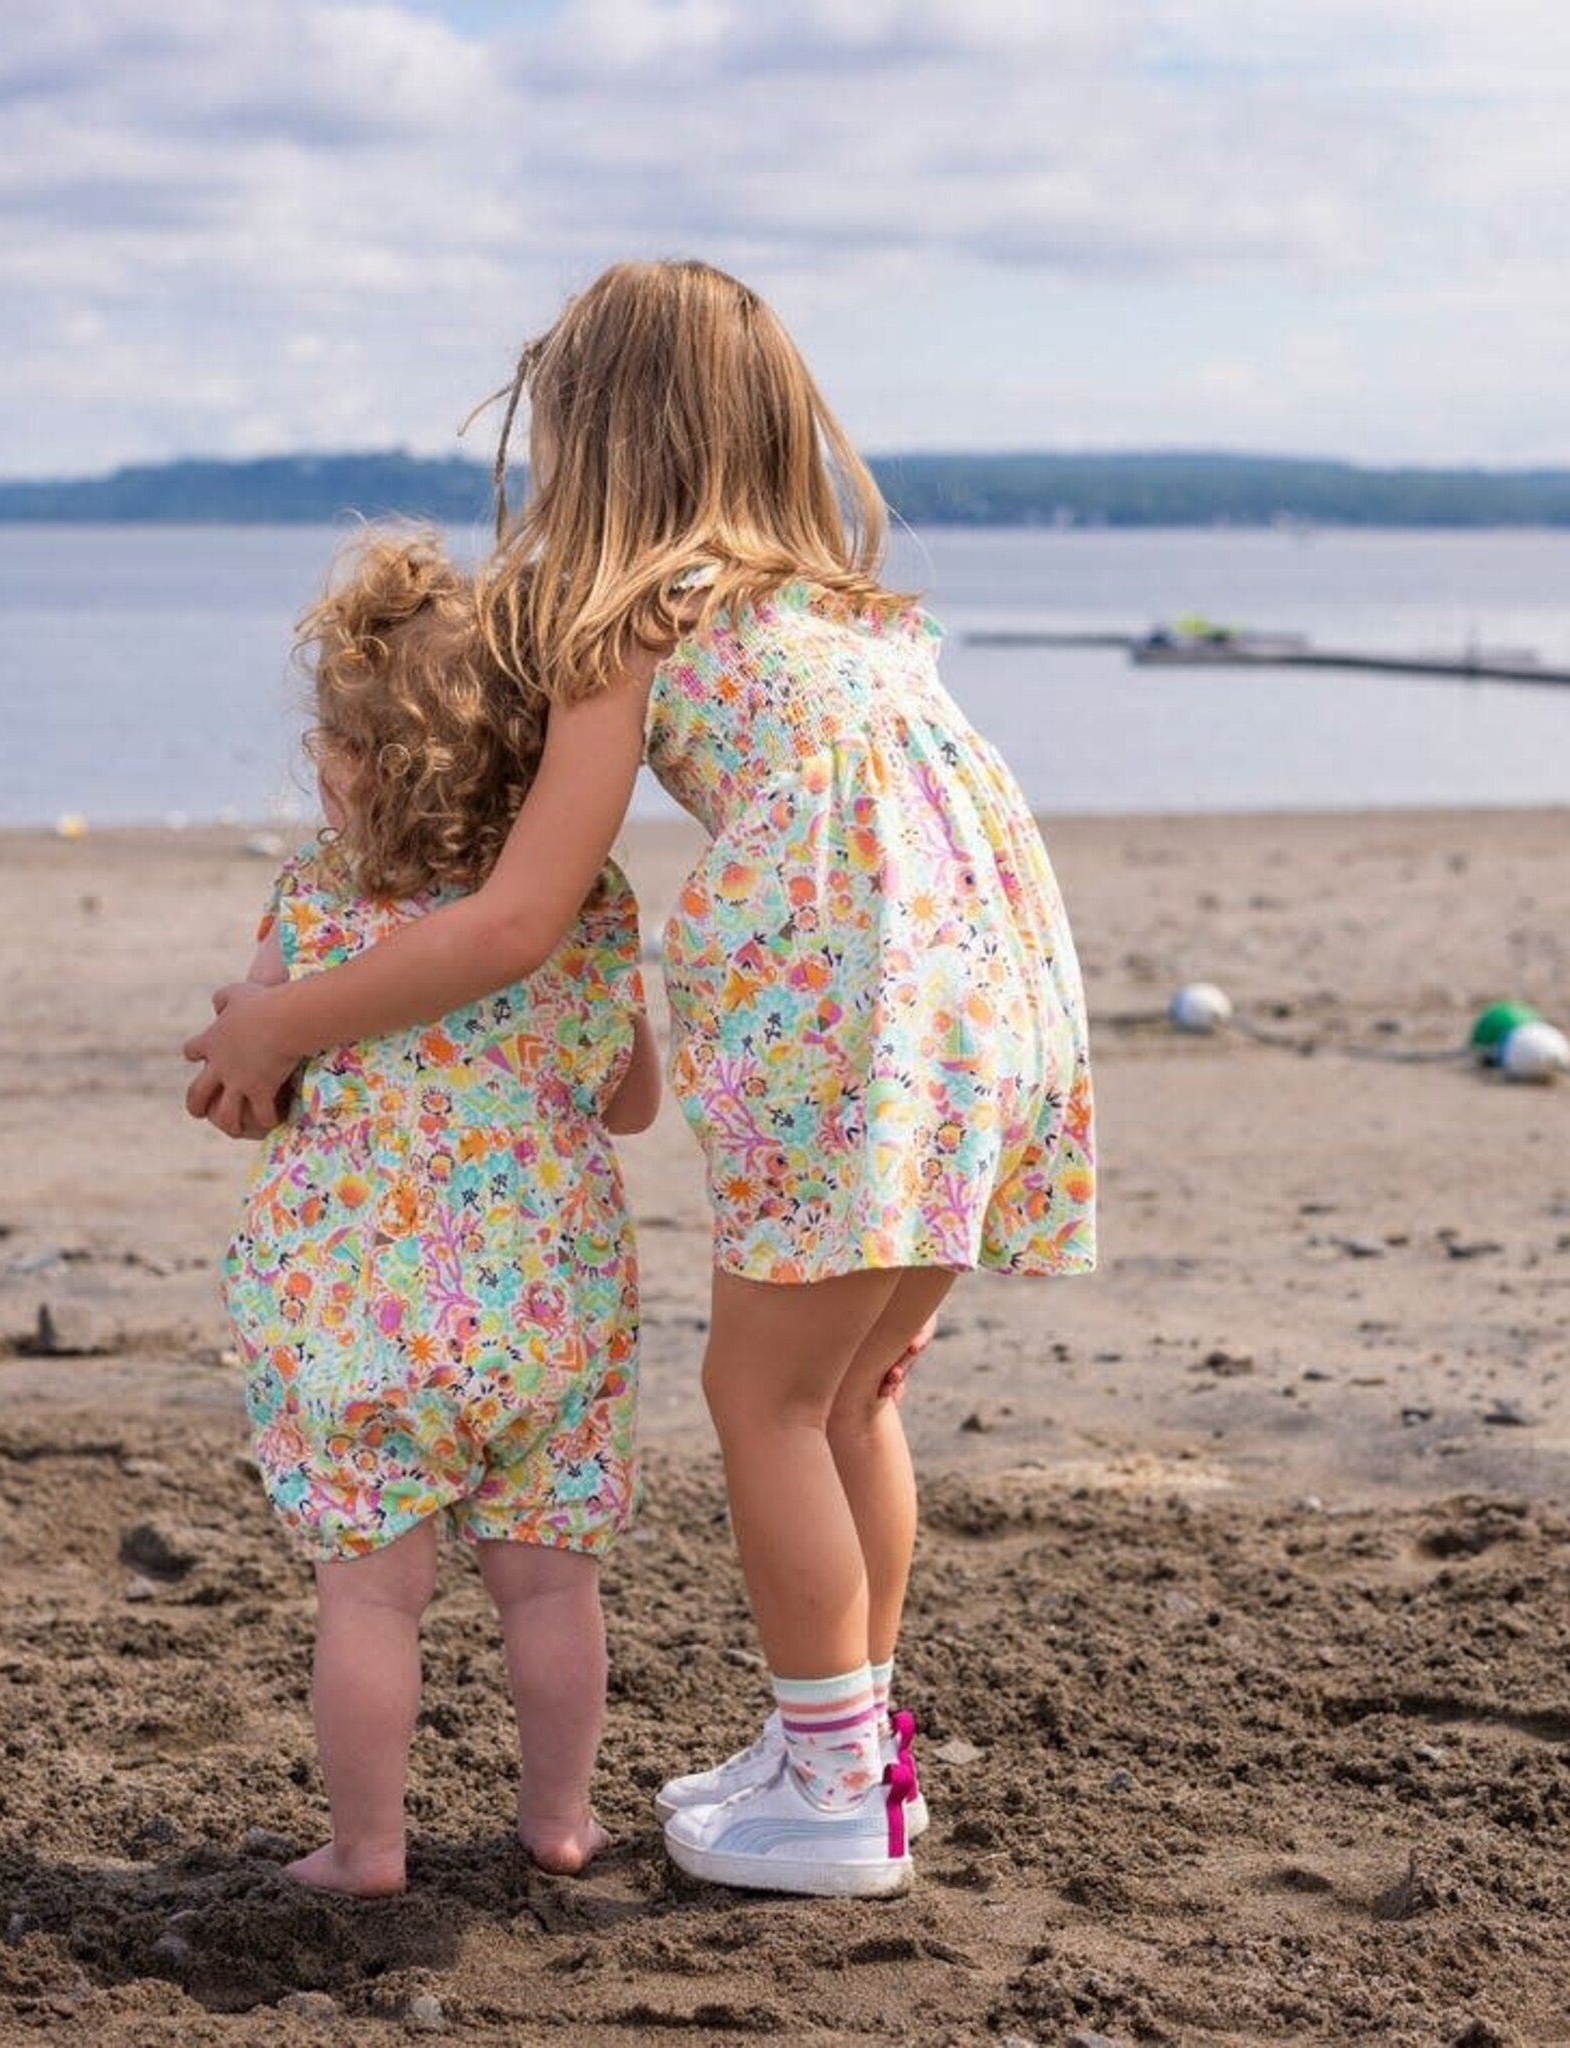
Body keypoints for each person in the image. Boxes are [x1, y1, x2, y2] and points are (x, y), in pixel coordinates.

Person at [188, 261, 1095, 1899]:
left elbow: (520, 916)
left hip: (850, 1026)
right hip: (989, 1022)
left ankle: (830, 1795)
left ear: (593, 435)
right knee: (851, 1397)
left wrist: (283, 1021)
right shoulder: (849, 614)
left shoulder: (634, 618)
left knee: (762, 1400)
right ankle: (855, 1753)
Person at [220, 530, 659, 1895]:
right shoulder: (586, 902)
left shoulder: (314, 908)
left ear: (355, 767)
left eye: (326, 746)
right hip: (551, 1307)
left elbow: (250, 1088)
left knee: (369, 1597)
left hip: (358, 1314)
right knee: (550, 1589)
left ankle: (366, 1848)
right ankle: (561, 1821)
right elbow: (632, 1100)